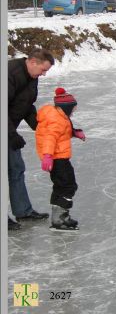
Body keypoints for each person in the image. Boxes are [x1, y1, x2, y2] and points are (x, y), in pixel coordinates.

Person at [8, 49, 54, 231]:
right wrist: (11, 135)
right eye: (42, 70)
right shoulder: (10, 73)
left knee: (16, 168)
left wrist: (40, 126)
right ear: (33, 62)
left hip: (8, 128)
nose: (43, 75)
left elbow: (26, 104)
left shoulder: (31, 78)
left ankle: (23, 211)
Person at [36, 88, 86, 231]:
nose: (74, 111)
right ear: (66, 107)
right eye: (73, 108)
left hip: (59, 157)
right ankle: (60, 218)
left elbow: (62, 133)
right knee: (68, 186)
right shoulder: (57, 120)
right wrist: (47, 156)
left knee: (61, 186)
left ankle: (59, 217)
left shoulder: (59, 116)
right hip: (57, 158)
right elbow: (50, 138)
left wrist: (75, 133)